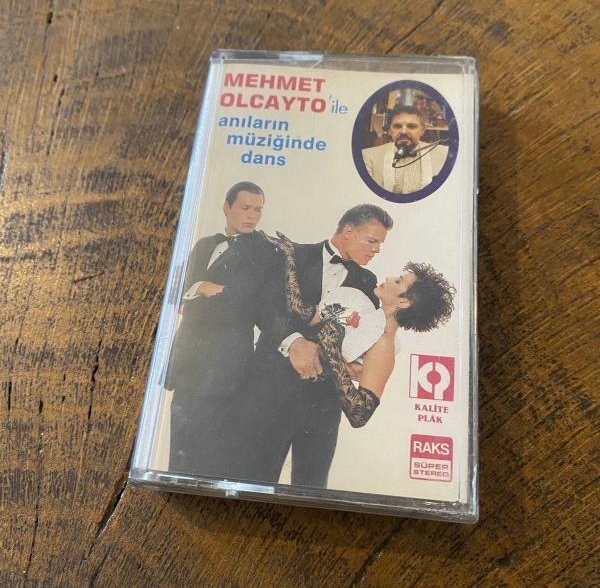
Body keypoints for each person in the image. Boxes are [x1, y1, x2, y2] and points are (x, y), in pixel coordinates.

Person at [233, 204, 393, 488]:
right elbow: (266, 305)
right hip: (270, 391)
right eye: (372, 240)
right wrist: (293, 341)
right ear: (348, 231)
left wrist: (355, 362)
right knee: (252, 481)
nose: (377, 250)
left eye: (380, 243)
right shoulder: (290, 254)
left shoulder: (368, 281)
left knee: (312, 488)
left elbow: (357, 334)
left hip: (324, 404)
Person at [272, 234, 455, 429]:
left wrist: (332, 350)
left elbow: (359, 415)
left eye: (398, 281)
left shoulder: (384, 344)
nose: (389, 278)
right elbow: (300, 310)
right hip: (281, 386)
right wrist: (290, 257)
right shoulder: (362, 307)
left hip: (313, 411)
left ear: (403, 302)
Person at [163, 181, 279, 476]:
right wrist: (202, 287)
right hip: (187, 362)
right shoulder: (204, 245)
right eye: (245, 208)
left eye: (258, 209)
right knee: (178, 458)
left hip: (226, 369)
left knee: (211, 461)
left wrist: (195, 292)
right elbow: (174, 297)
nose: (252, 216)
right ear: (227, 208)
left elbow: (237, 305)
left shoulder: (265, 252)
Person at [362, 104, 448, 194]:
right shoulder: (369, 156)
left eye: (411, 126)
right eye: (397, 126)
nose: (403, 131)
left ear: (422, 130)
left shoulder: (443, 154)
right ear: (390, 131)